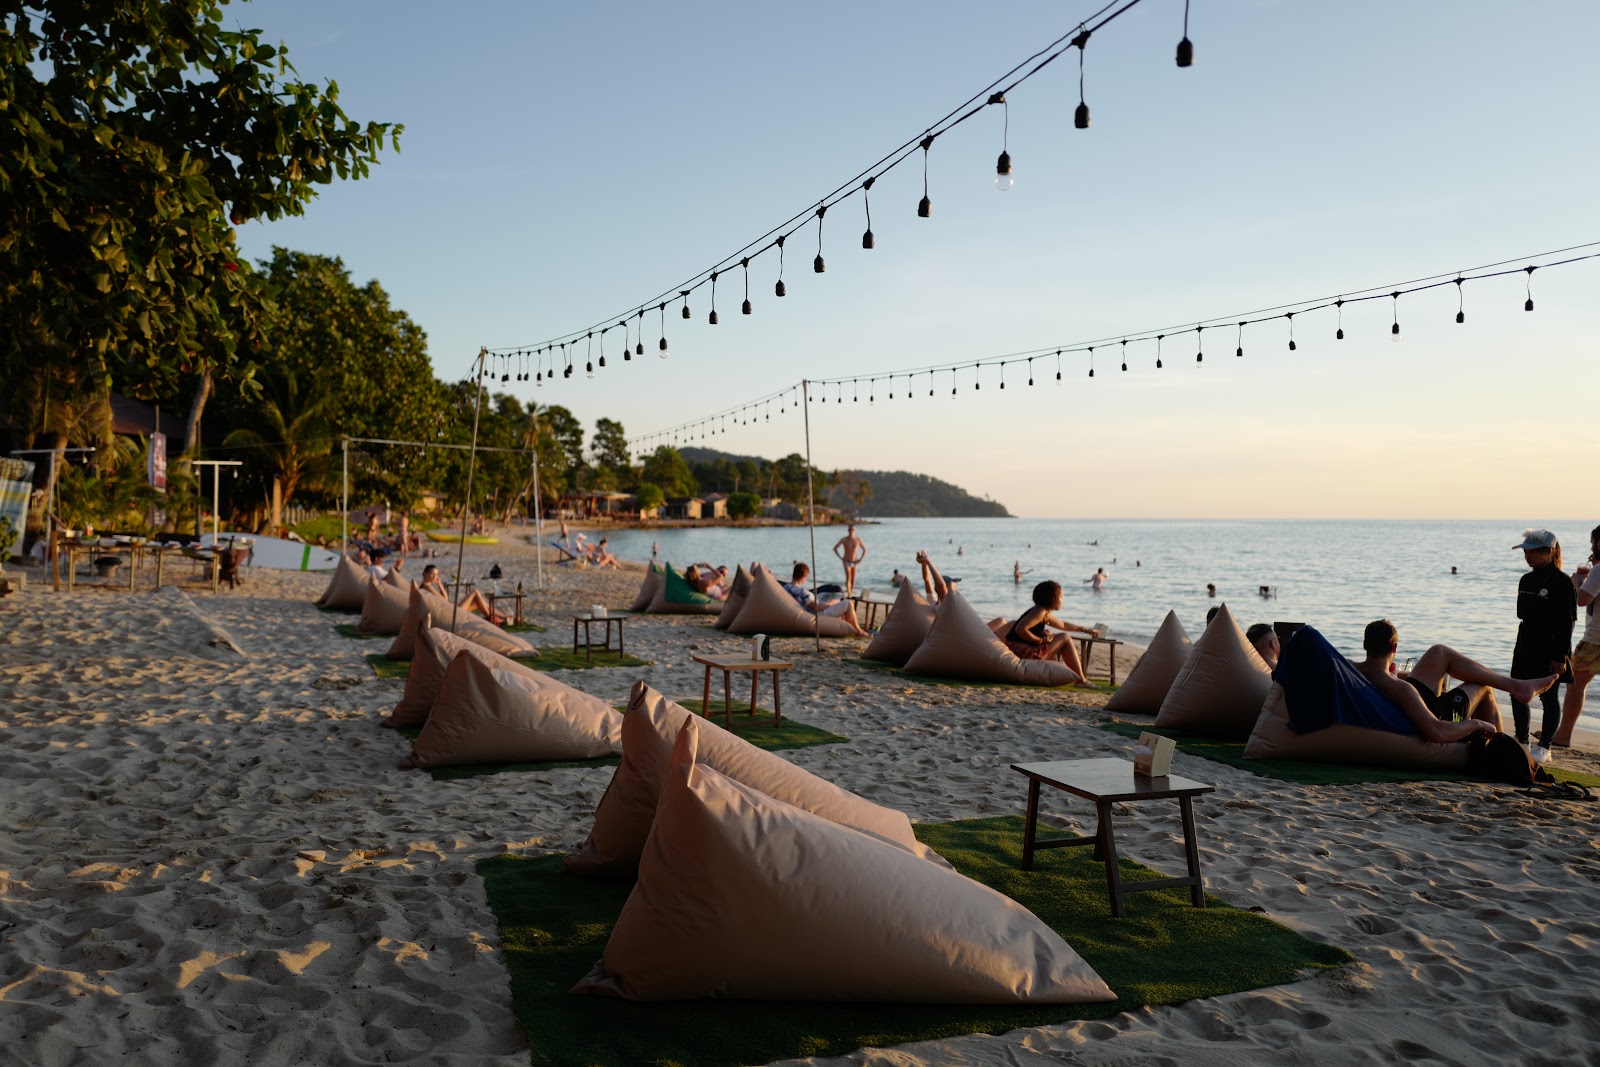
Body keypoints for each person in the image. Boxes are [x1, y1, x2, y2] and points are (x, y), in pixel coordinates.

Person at [1354, 619, 1556, 740]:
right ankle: (1501, 746)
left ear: (1365, 645)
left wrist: (1398, 677)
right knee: (1483, 687)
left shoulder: (1350, 669)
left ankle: (1517, 686)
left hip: (1409, 701)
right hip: (1425, 714)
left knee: (1439, 652)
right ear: (1395, 649)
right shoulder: (1400, 688)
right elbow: (1436, 731)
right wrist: (1477, 724)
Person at [1510, 529, 1577, 745]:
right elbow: (1523, 614)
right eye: (1525, 552)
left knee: (1549, 698)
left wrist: (1560, 656)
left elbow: (1568, 622)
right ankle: (1522, 739)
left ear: (1548, 552)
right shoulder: (1526, 580)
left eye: (1532, 552)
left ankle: (1545, 745)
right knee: (1517, 691)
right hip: (1525, 642)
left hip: (1552, 646)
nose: (1527, 556)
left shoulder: (1563, 583)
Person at [1552, 523, 1600, 746]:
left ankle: (1563, 737)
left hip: (1596, 640)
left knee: (1575, 685)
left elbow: (1582, 600)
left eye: (1593, 542)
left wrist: (1576, 583)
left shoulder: (1599, 570)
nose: (1591, 546)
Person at [1001, 580, 1096, 682]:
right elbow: (1020, 629)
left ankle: (1058, 674)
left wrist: (1085, 630)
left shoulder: (1042, 611)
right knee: (1065, 637)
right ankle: (1081, 680)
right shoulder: (1040, 612)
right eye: (1061, 596)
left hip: (1020, 647)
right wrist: (1040, 641)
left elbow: (1063, 625)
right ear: (1053, 598)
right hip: (1023, 650)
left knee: (1051, 634)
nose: (1062, 599)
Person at [781, 562, 869, 636]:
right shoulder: (801, 591)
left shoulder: (785, 588)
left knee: (840, 603)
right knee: (848, 603)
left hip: (806, 612)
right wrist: (832, 603)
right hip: (815, 614)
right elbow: (816, 607)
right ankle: (859, 631)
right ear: (804, 576)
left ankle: (850, 627)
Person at [420, 564, 508, 625]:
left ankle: (503, 616)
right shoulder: (427, 587)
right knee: (475, 592)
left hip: (450, 609)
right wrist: (439, 585)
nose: (435, 577)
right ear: (425, 573)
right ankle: (492, 618)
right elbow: (445, 599)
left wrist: (439, 584)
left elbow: (445, 599)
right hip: (450, 613)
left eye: (436, 575)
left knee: (477, 603)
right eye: (432, 574)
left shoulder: (426, 586)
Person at [833, 524, 867, 596]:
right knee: (848, 577)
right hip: (846, 560)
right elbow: (835, 548)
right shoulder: (844, 539)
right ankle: (849, 593)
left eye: (852, 530)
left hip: (855, 561)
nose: (851, 531)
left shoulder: (857, 539)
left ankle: (851, 590)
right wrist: (840, 557)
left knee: (853, 578)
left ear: (855, 530)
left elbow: (864, 550)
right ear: (848, 531)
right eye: (849, 530)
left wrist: (860, 559)